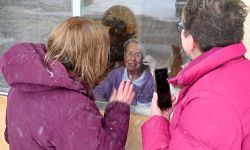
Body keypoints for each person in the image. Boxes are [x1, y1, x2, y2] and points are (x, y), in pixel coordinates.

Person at [0, 17, 135, 150]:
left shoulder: (22, 85)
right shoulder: (72, 108)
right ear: (92, 60)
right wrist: (118, 110)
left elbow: (10, 135)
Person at [142, 0, 250, 149]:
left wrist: (156, 121)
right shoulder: (242, 70)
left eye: (181, 26)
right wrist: (164, 120)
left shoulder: (209, 102)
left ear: (190, 40)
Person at [94, 38, 155, 106]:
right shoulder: (115, 75)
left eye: (138, 55)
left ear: (143, 58)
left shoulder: (150, 79)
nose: (132, 59)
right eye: (129, 54)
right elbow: (97, 92)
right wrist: (106, 107)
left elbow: (160, 102)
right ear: (124, 56)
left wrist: (154, 71)